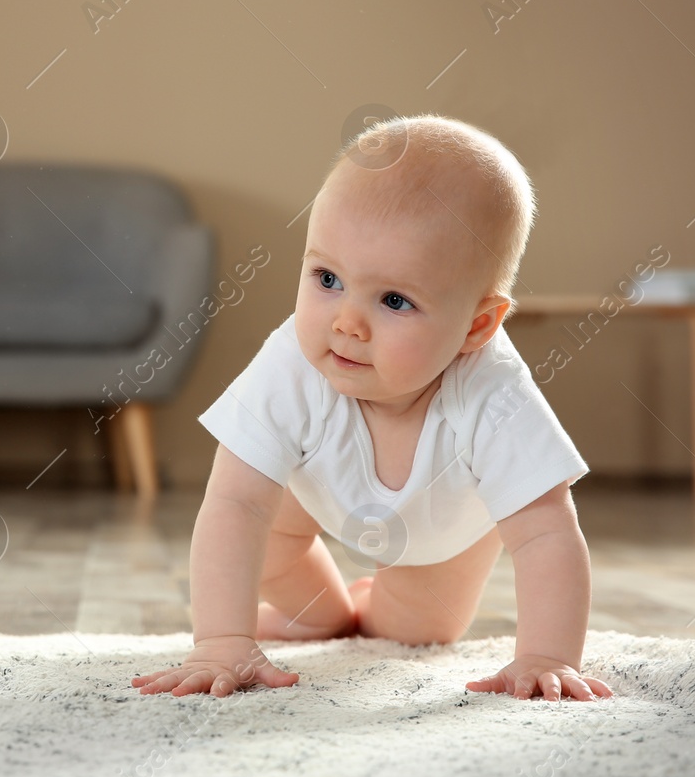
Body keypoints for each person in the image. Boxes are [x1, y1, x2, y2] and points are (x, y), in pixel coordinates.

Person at [132, 114, 613, 701]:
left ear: (477, 325)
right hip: (309, 501)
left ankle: (373, 606)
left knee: (412, 633)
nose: (346, 323)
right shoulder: (292, 362)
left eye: (394, 300)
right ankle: (318, 617)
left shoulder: (494, 394)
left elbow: (546, 536)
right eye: (327, 278)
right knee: (270, 537)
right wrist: (220, 640)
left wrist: (546, 656)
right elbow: (233, 503)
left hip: (444, 528)